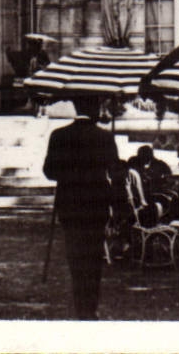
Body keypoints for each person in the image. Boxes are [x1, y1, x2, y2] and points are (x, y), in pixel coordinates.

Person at [42, 96, 120, 320]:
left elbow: (49, 171)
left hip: (70, 204)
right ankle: (91, 307)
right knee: (94, 258)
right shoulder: (105, 137)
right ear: (95, 109)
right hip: (96, 205)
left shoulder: (59, 135)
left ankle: (81, 308)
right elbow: (114, 171)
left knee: (75, 257)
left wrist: (69, 173)